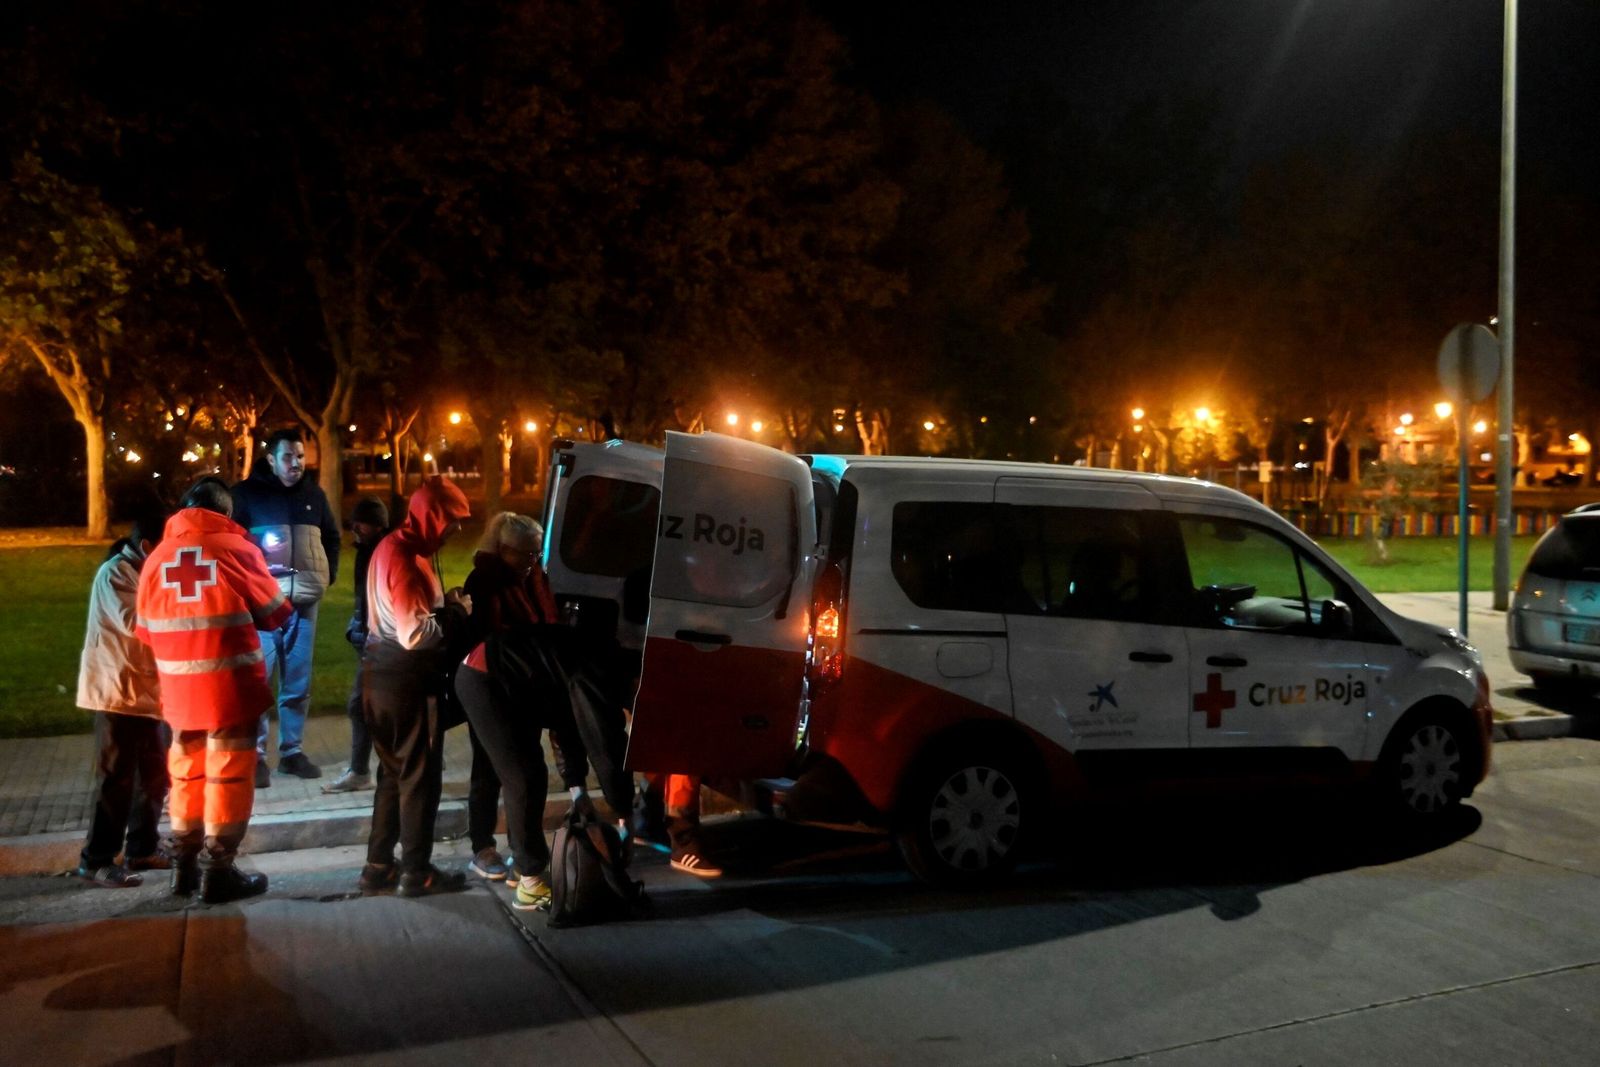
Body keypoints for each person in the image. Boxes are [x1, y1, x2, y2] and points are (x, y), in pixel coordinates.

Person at [135, 476, 294, 903]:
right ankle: (218, 869)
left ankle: (183, 867)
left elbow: (146, 631)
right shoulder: (236, 549)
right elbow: (276, 613)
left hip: (179, 693)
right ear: (225, 514)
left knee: (185, 775)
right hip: (231, 689)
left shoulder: (157, 558)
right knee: (228, 774)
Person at [360, 476, 473, 898]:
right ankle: (416, 871)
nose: (456, 530)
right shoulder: (406, 560)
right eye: (452, 521)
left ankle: (377, 867)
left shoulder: (389, 547)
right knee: (419, 780)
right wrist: (457, 614)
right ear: (431, 517)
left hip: (376, 675)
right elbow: (414, 633)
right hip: (407, 681)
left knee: (392, 775)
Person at [454, 513, 566, 907]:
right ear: (503, 550)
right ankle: (485, 845)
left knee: (527, 772)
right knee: (494, 770)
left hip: (524, 686)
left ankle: (524, 858)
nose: (533, 561)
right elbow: (484, 637)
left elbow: (546, 623)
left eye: (538, 554)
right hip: (489, 682)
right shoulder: (484, 582)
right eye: (526, 554)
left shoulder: (534, 577)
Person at [230, 427, 341, 785]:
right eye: (288, 456)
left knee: (297, 680)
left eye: (300, 456)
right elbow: (231, 544)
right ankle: (256, 756)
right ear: (271, 459)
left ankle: (291, 752)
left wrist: (328, 575)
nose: (296, 463)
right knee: (260, 679)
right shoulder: (246, 496)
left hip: (305, 602)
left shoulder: (314, 495)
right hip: (262, 605)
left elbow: (332, 537)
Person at [75, 505, 172, 888]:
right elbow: (137, 625)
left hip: (147, 694)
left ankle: (142, 848)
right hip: (116, 694)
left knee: (154, 775)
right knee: (116, 779)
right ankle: (97, 859)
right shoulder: (116, 573)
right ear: (147, 545)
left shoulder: (148, 571)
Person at [322, 496, 390, 794]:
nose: (355, 529)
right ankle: (368, 768)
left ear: (375, 524)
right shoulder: (368, 550)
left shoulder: (381, 552)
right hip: (372, 640)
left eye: (359, 523)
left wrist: (366, 630)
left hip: (381, 643)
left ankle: (362, 771)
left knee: (360, 706)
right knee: (368, 706)